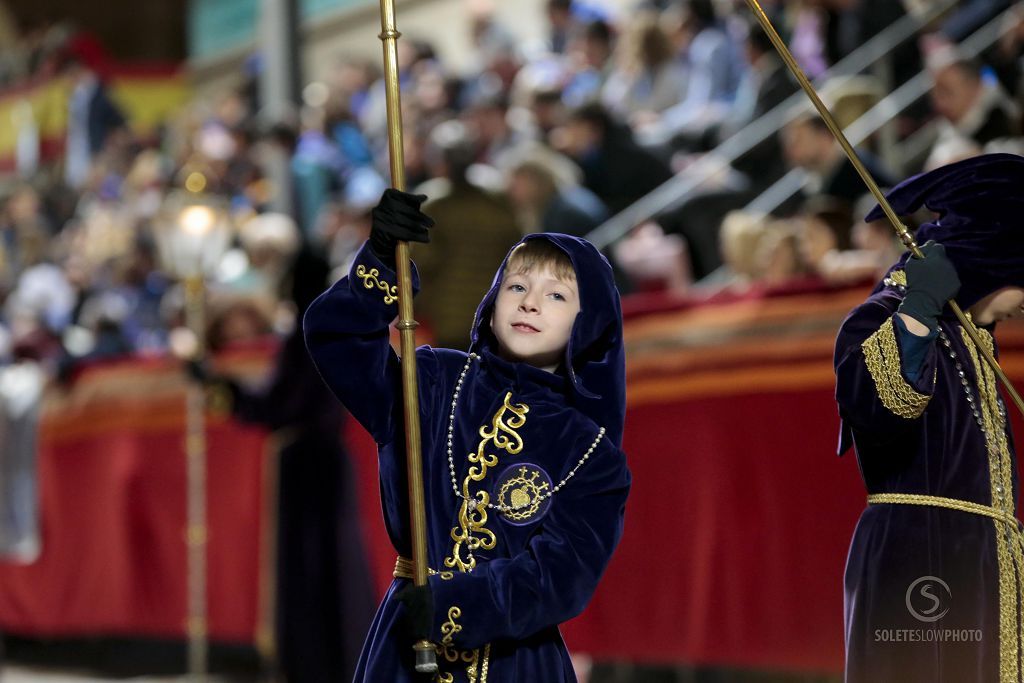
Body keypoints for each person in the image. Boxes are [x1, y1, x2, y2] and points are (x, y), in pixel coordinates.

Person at [303, 188, 631, 682]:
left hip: (515, 663)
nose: (531, 304)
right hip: (404, 648)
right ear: (494, 297)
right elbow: (340, 343)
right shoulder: (433, 381)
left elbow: (562, 577)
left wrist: (455, 606)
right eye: (517, 286)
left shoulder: (590, 453)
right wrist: (379, 263)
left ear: (590, 325)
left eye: (557, 295)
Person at [834, 153, 1024, 682]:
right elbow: (880, 406)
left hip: (974, 563)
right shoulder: (886, 316)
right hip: (923, 560)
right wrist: (917, 311)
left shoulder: (975, 341)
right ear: (989, 263)